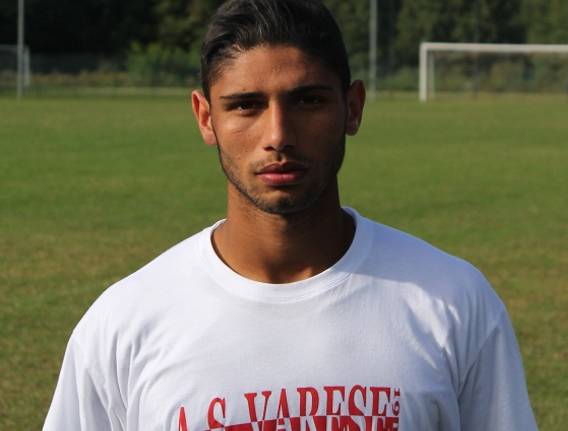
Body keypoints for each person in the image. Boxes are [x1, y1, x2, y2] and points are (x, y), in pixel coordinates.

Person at [43, 0, 538, 430]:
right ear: (205, 118)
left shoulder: (453, 302)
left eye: (307, 100)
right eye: (246, 106)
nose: (278, 134)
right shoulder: (125, 323)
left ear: (353, 108)